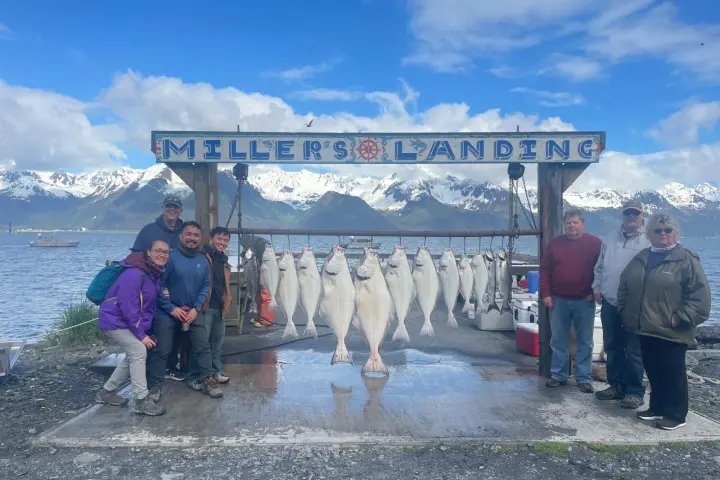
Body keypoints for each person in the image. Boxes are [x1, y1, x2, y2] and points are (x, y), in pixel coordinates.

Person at [618, 213, 711, 430]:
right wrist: (625, 312)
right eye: (658, 231)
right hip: (644, 328)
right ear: (649, 234)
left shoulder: (687, 259)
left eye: (667, 230)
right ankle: (657, 407)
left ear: (675, 233)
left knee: (673, 372)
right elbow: (625, 285)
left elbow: (701, 297)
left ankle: (676, 414)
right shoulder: (641, 257)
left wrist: (681, 317)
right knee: (653, 370)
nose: (663, 234)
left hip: (672, 329)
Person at [147, 221, 224, 400]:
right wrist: (171, 308)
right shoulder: (170, 257)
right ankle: (155, 386)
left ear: (201, 238)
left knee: (203, 347)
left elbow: (206, 286)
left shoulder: (203, 260)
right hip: (168, 312)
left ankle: (207, 380)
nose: (192, 238)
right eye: (188, 234)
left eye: (196, 235)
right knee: (162, 349)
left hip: (192, 312)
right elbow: (159, 285)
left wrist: (197, 308)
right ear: (181, 236)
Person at [95, 240, 169, 416]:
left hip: (124, 322)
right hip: (113, 322)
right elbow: (129, 307)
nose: (162, 255)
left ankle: (106, 392)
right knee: (138, 351)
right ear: (148, 252)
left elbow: (147, 304)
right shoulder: (135, 274)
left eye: (166, 252)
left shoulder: (153, 274)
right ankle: (141, 400)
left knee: (131, 356)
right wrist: (141, 335)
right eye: (158, 251)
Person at [592, 201, 651, 409]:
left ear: (642, 215)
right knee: (613, 347)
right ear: (622, 216)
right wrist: (596, 288)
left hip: (636, 305)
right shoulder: (609, 238)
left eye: (635, 213)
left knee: (634, 350)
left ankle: (634, 391)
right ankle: (615, 385)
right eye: (627, 213)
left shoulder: (649, 240)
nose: (631, 217)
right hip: (609, 302)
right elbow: (599, 267)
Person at [539, 208, 602, 393]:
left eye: (575, 222)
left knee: (585, 341)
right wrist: (546, 294)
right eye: (568, 223)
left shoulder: (596, 244)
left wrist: (594, 291)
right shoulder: (555, 244)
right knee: (558, 340)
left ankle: (584, 377)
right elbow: (544, 271)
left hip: (585, 300)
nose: (571, 226)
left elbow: (601, 270)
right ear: (564, 225)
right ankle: (559, 375)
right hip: (558, 300)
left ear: (582, 224)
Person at [130, 194, 188, 382]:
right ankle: (149, 371)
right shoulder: (148, 230)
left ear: (181, 211)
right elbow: (135, 258)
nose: (172, 209)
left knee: (177, 333)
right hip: (152, 288)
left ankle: (170, 367)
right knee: (153, 330)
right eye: (168, 206)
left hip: (178, 291)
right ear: (162, 208)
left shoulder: (184, 231)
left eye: (176, 207)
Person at [199, 226, 233, 384]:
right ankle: (203, 375)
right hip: (205, 307)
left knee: (217, 343)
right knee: (202, 343)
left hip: (220, 307)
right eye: (219, 238)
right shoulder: (202, 256)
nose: (222, 242)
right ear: (211, 238)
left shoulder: (224, 261)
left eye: (225, 240)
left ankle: (216, 371)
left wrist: (227, 300)